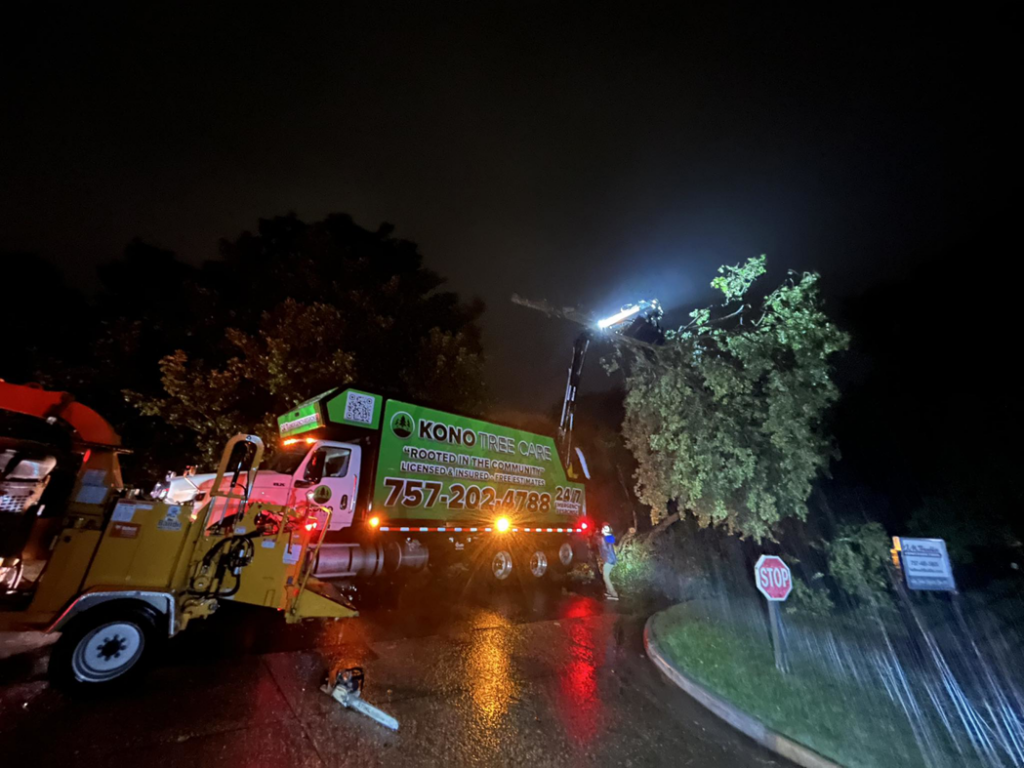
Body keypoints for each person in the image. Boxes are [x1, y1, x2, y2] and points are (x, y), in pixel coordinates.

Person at [597, 523, 619, 601]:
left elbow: (605, 548)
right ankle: (609, 592)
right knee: (605, 575)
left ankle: (614, 595)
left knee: (605, 577)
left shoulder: (607, 538)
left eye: (606, 528)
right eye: (603, 528)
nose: (604, 529)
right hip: (610, 559)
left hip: (609, 560)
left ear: (609, 530)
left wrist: (601, 540)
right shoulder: (608, 537)